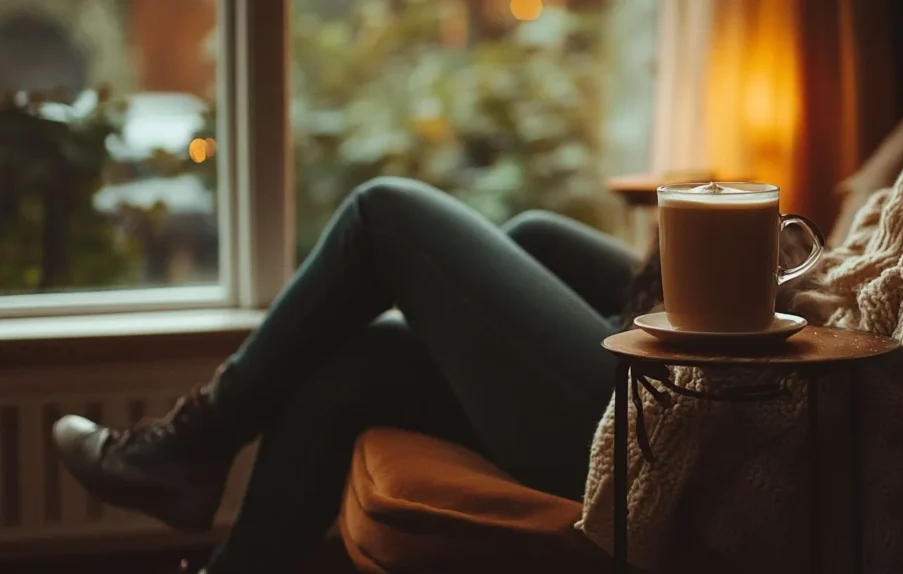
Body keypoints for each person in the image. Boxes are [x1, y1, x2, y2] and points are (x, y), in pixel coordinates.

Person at [52, 177, 641, 574]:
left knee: (381, 212)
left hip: (655, 424)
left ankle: (190, 443)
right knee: (374, 350)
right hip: (652, 355)